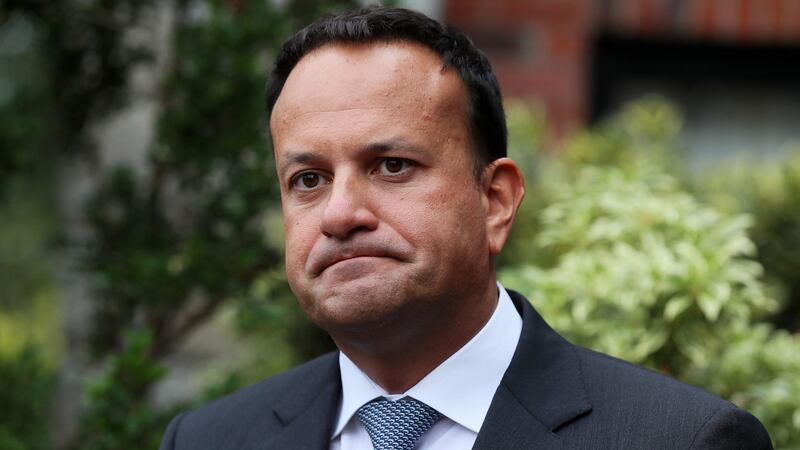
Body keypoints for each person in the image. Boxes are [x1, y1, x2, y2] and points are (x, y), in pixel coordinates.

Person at [159, 6, 772, 450]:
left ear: (495, 201)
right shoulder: (209, 439)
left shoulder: (680, 440)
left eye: (392, 166)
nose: (341, 214)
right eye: (309, 180)